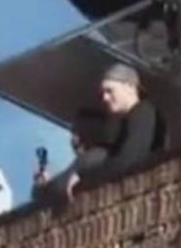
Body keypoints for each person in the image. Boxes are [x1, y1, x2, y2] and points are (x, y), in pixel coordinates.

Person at [65, 64, 165, 198]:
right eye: (103, 93)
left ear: (129, 87)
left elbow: (128, 160)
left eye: (110, 91)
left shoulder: (143, 113)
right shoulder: (127, 120)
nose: (105, 98)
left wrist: (84, 179)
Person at [31, 107, 112, 203]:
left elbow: (55, 188)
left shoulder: (94, 157)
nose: (73, 139)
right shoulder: (95, 157)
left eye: (78, 132)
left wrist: (41, 185)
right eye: (73, 133)